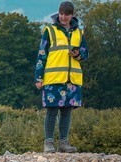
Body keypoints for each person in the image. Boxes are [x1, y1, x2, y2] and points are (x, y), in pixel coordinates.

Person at [35, 1, 88, 153]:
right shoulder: (49, 30)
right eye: (62, 14)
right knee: (52, 110)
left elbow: (86, 53)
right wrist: (38, 77)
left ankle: (64, 142)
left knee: (67, 110)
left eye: (67, 14)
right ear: (59, 13)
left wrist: (78, 54)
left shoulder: (79, 32)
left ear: (72, 15)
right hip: (53, 77)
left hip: (72, 79)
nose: (64, 17)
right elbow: (41, 55)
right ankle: (49, 142)